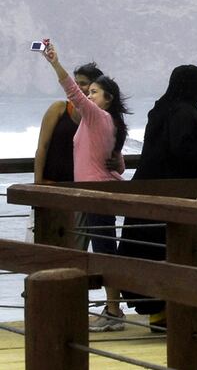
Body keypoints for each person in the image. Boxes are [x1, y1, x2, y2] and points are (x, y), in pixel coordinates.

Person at [117, 65, 197, 332]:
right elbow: (184, 150)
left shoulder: (160, 111)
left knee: (148, 253)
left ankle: (160, 315)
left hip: (147, 192)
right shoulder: (186, 113)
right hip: (174, 196)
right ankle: (177, 317)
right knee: (175, 252)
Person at [41, 41, 130, 332]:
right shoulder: (107, 121)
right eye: (88, 92)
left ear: (107, 98)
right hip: (97, 192)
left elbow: (72, 92)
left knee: (104, 252)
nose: (87, 95)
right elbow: (118, 163)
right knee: (104, 250)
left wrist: (55, 63)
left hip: (95, 195)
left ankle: (114, 311)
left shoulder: (97, 116)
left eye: (93, 92)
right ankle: (112, 308)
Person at [31, 62, 104, 248]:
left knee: (76, 248)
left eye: (85, 83)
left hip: (81, 192)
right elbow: (42, 148)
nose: (79, 87)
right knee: (47, 244)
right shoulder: (59, 109)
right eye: (76, 82)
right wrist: (38, 186)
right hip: (52, 186)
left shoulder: (97, 118)